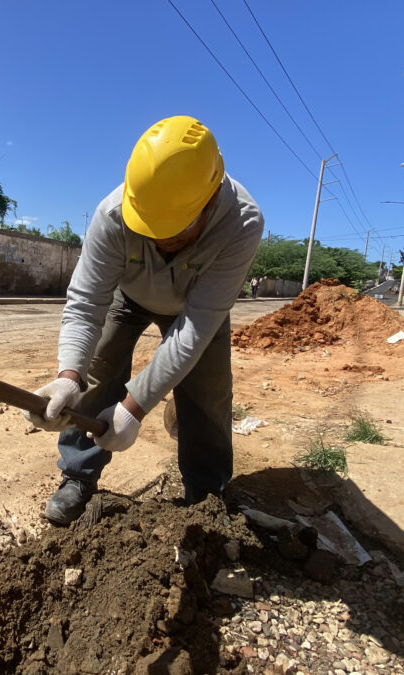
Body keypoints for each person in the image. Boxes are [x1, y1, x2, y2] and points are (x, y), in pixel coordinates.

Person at [24, 116, 264, 525]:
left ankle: (205, 495)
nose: (157, 239)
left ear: (208, 203)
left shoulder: (242, 223)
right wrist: (68, 375)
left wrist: (133, 408)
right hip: (128, 295)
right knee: (97, 374)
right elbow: (85, 302)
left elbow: (194, 331)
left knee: (208, 394)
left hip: (195, 310)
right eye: (147, 227)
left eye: (172, 230)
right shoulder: (113, 214)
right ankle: (78, 475)